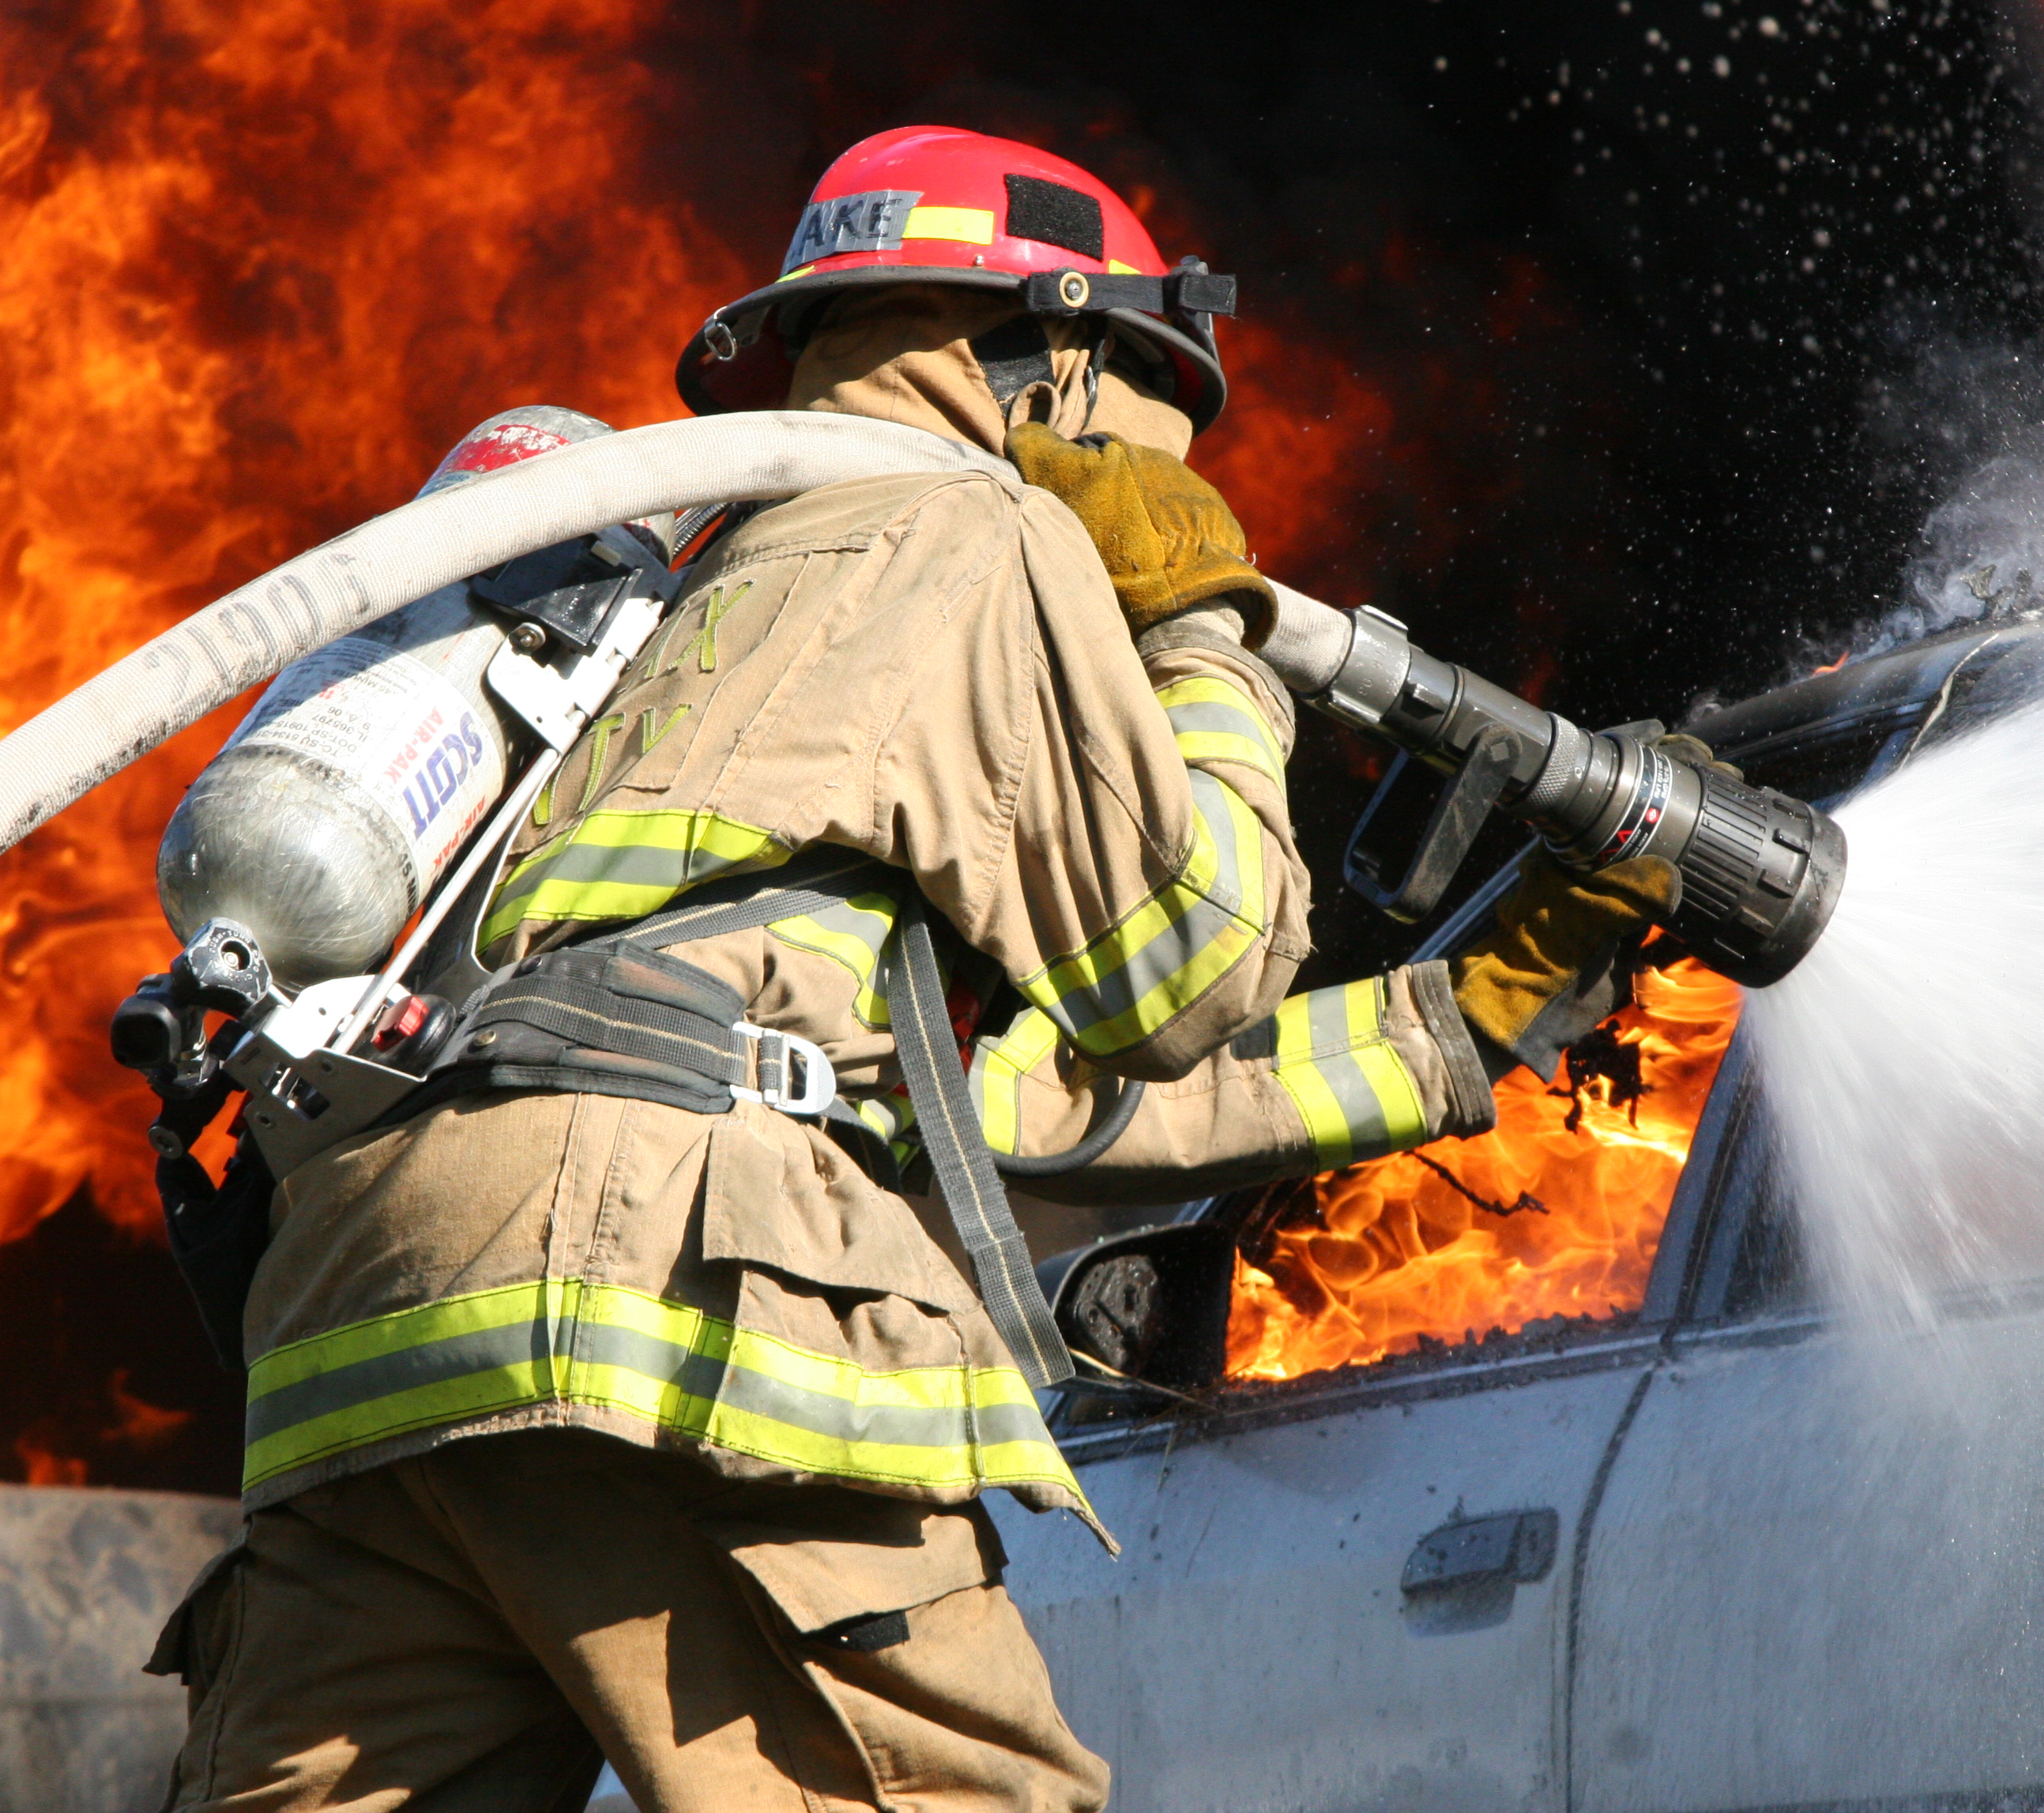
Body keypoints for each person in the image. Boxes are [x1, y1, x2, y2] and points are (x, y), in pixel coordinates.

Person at [148, 124, 1685, 1813]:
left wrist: (1456, 1021)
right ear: (1057, 352)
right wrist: (1197, 626)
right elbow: (1195, 965)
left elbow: (975, 1098)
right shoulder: (971, 538)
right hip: (664, 1292)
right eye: (1158, 399)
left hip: (358, 1335)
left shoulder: (652, 587)